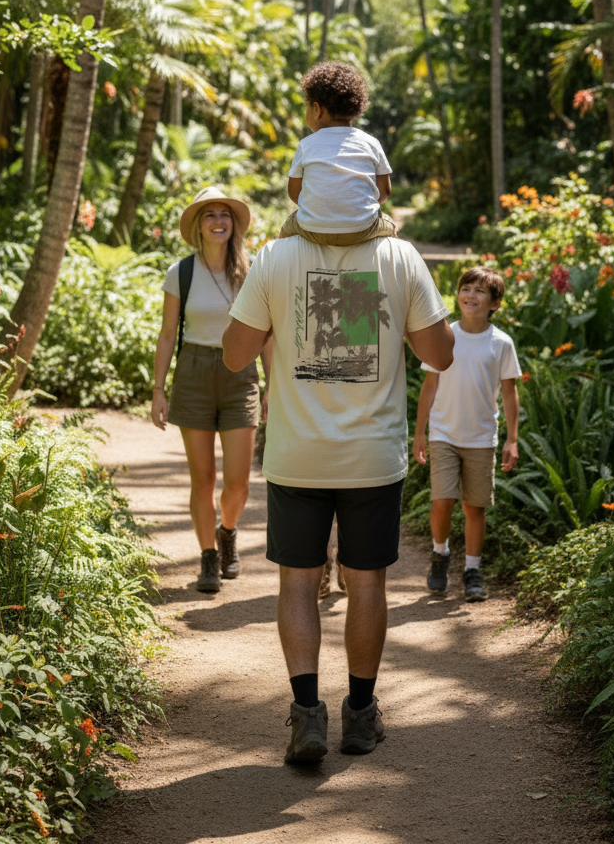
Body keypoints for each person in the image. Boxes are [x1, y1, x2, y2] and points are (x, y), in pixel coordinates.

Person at [222, 232, 454, 764]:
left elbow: (235, 354)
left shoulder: (276, 257)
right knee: (367, 580)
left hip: (297, 453)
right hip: (370, 458)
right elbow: (440, 353)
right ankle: (360, 714)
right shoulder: (399, 257)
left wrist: (279, 312)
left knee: (298, 581)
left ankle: (307, 718)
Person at [152, 186, 271, 593]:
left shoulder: (253, 271)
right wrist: (158, 391)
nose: (219, 221)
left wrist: (272, 385)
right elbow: (168, 335)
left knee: (238, 482)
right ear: (198, 227)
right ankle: (208, 558)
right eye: (210, 215)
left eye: (225, 214)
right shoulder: (180, 273)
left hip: (241, 375)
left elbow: (266, 335)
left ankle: (228, 530)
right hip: (193, 372)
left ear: (233, 224)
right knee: (202, 479)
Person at [413, 267, 521, 602]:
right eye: (465, 288)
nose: (470, 295)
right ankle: (440, 553)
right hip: (443, 433)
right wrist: (419, 433)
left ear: (495, 303)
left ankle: (473, 569)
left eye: (479, 291)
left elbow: (509, 393)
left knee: (475, 507)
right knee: (442, 500)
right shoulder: (445, 336)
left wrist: (512, 439)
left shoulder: (501, 343)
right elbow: (429, 388)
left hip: (481, 437)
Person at [279, 61, 398, 245]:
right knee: (390, 225)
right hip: (363, 229)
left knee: (286, 228)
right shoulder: (371, 143)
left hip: (312, 230)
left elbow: (294, 193)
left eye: (307, 107)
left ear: (317, 109)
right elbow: (384, 191)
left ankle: (278, 266)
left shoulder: (306, 145)